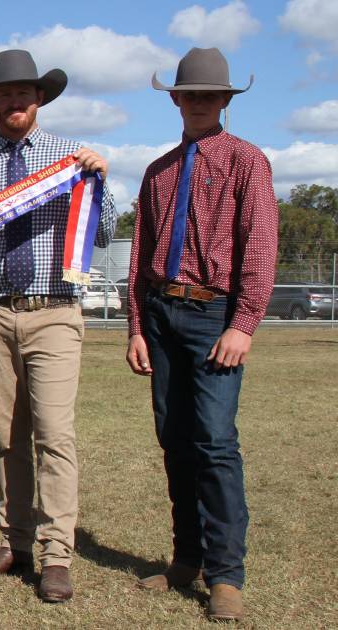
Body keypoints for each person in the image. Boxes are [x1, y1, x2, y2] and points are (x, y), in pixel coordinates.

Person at [0, 49, 115, 602]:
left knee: (54, 435)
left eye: (24, 93)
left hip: (54, 310)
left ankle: (58, 555)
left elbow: (101, 236)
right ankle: (16, 542)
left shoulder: (70, 157)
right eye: (5, 93)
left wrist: (101, 181)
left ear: (40, 99)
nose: (15, 100)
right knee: (6, 436)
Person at [124, 47, 275, 623]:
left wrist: (244, 322)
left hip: (215, 316)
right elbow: (141, 253)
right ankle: (186, 557)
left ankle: (226, 575)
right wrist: (138, 325)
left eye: (211, 95)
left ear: (225, 101)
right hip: (162, 313)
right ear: (176, 100)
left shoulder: (246, 162)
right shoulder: (160, 169)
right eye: (189, 94)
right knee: (175, 437)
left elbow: (259, 245)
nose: (198, 102)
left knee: (214, 442)